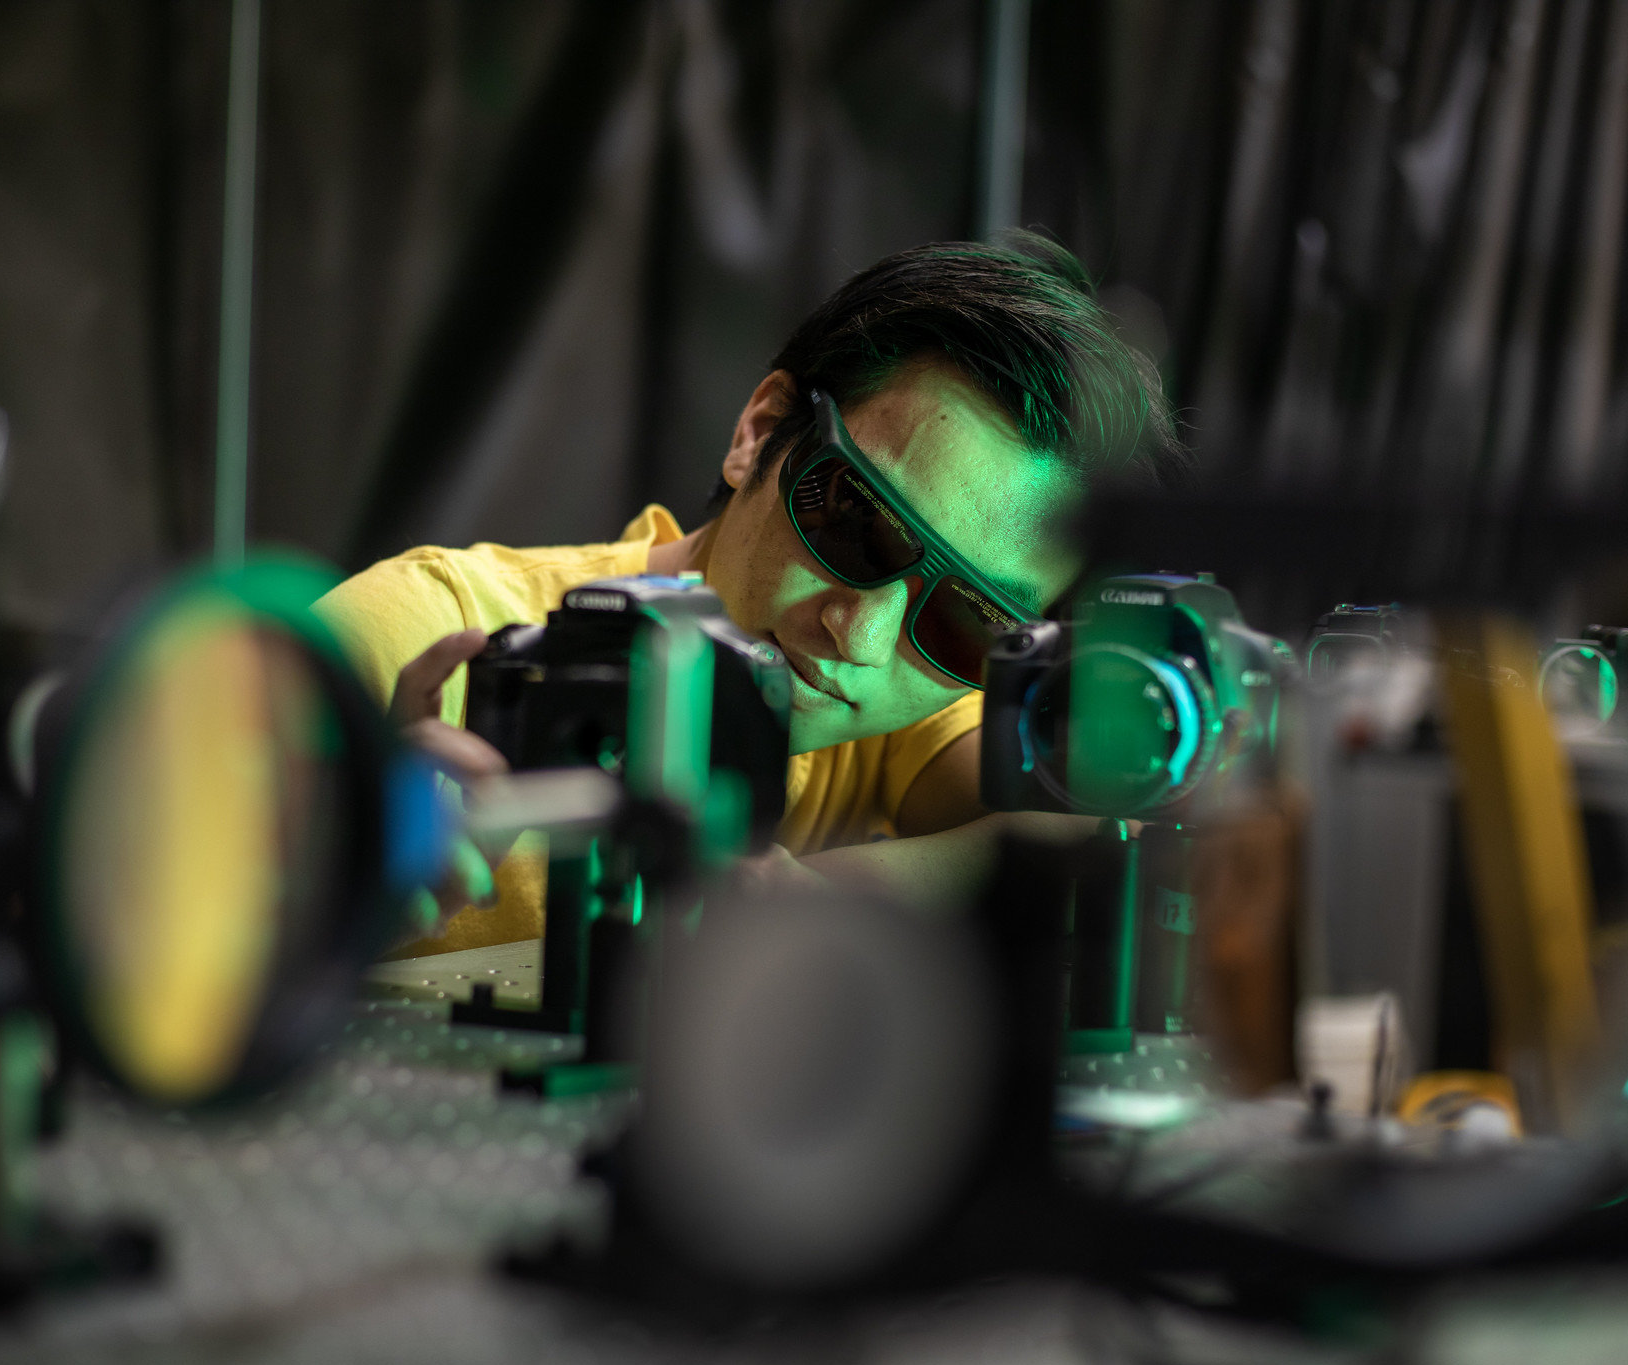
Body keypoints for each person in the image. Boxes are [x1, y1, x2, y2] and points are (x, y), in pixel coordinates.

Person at [317, 233, 1183, 957]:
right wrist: (332, 883)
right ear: (759, 432)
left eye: (967, 620)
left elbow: (1082, 832)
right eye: (856, 523)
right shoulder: (416, 637)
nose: (863, 632)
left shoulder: (902, 705)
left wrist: (794, 894)